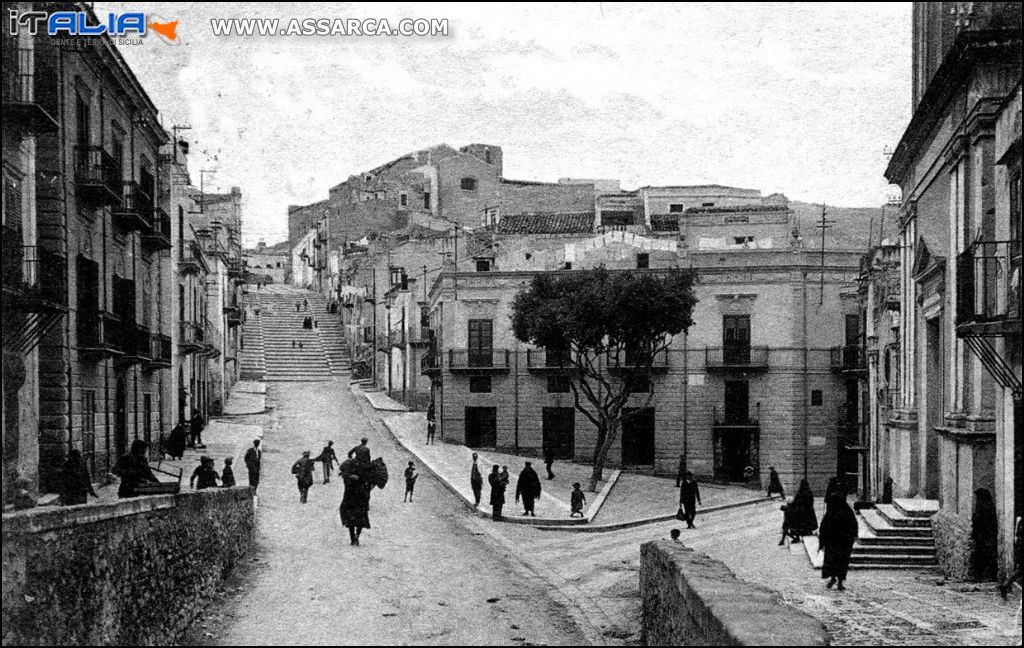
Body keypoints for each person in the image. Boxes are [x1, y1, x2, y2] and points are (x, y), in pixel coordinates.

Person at [818, 491, 859, 591]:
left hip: (833, 542)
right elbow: (854, 525)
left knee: (833, 561)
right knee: (842, 562)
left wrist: (822, 542)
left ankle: (834, 579)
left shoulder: (831, 512)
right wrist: (853, 536)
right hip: (843, 542)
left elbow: (823, 528)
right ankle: (839, 581)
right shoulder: (847, 511)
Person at [339, 457, 373, 545]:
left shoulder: (348, 484)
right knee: (360, 522)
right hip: (360, 504)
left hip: (350, 504)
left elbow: (345, 498)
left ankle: (352, 539)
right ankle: (357, 535)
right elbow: (366, 494)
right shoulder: (362, 482)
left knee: (350, 523)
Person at [780, 478, 818, 545]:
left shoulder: (800, 492)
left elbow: (796, 502)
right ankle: (807, 531)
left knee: (797, 523)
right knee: (808, 523)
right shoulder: (810, 492)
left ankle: (797, 536)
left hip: (801, 511)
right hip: (809, 510)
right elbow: (811, 502)